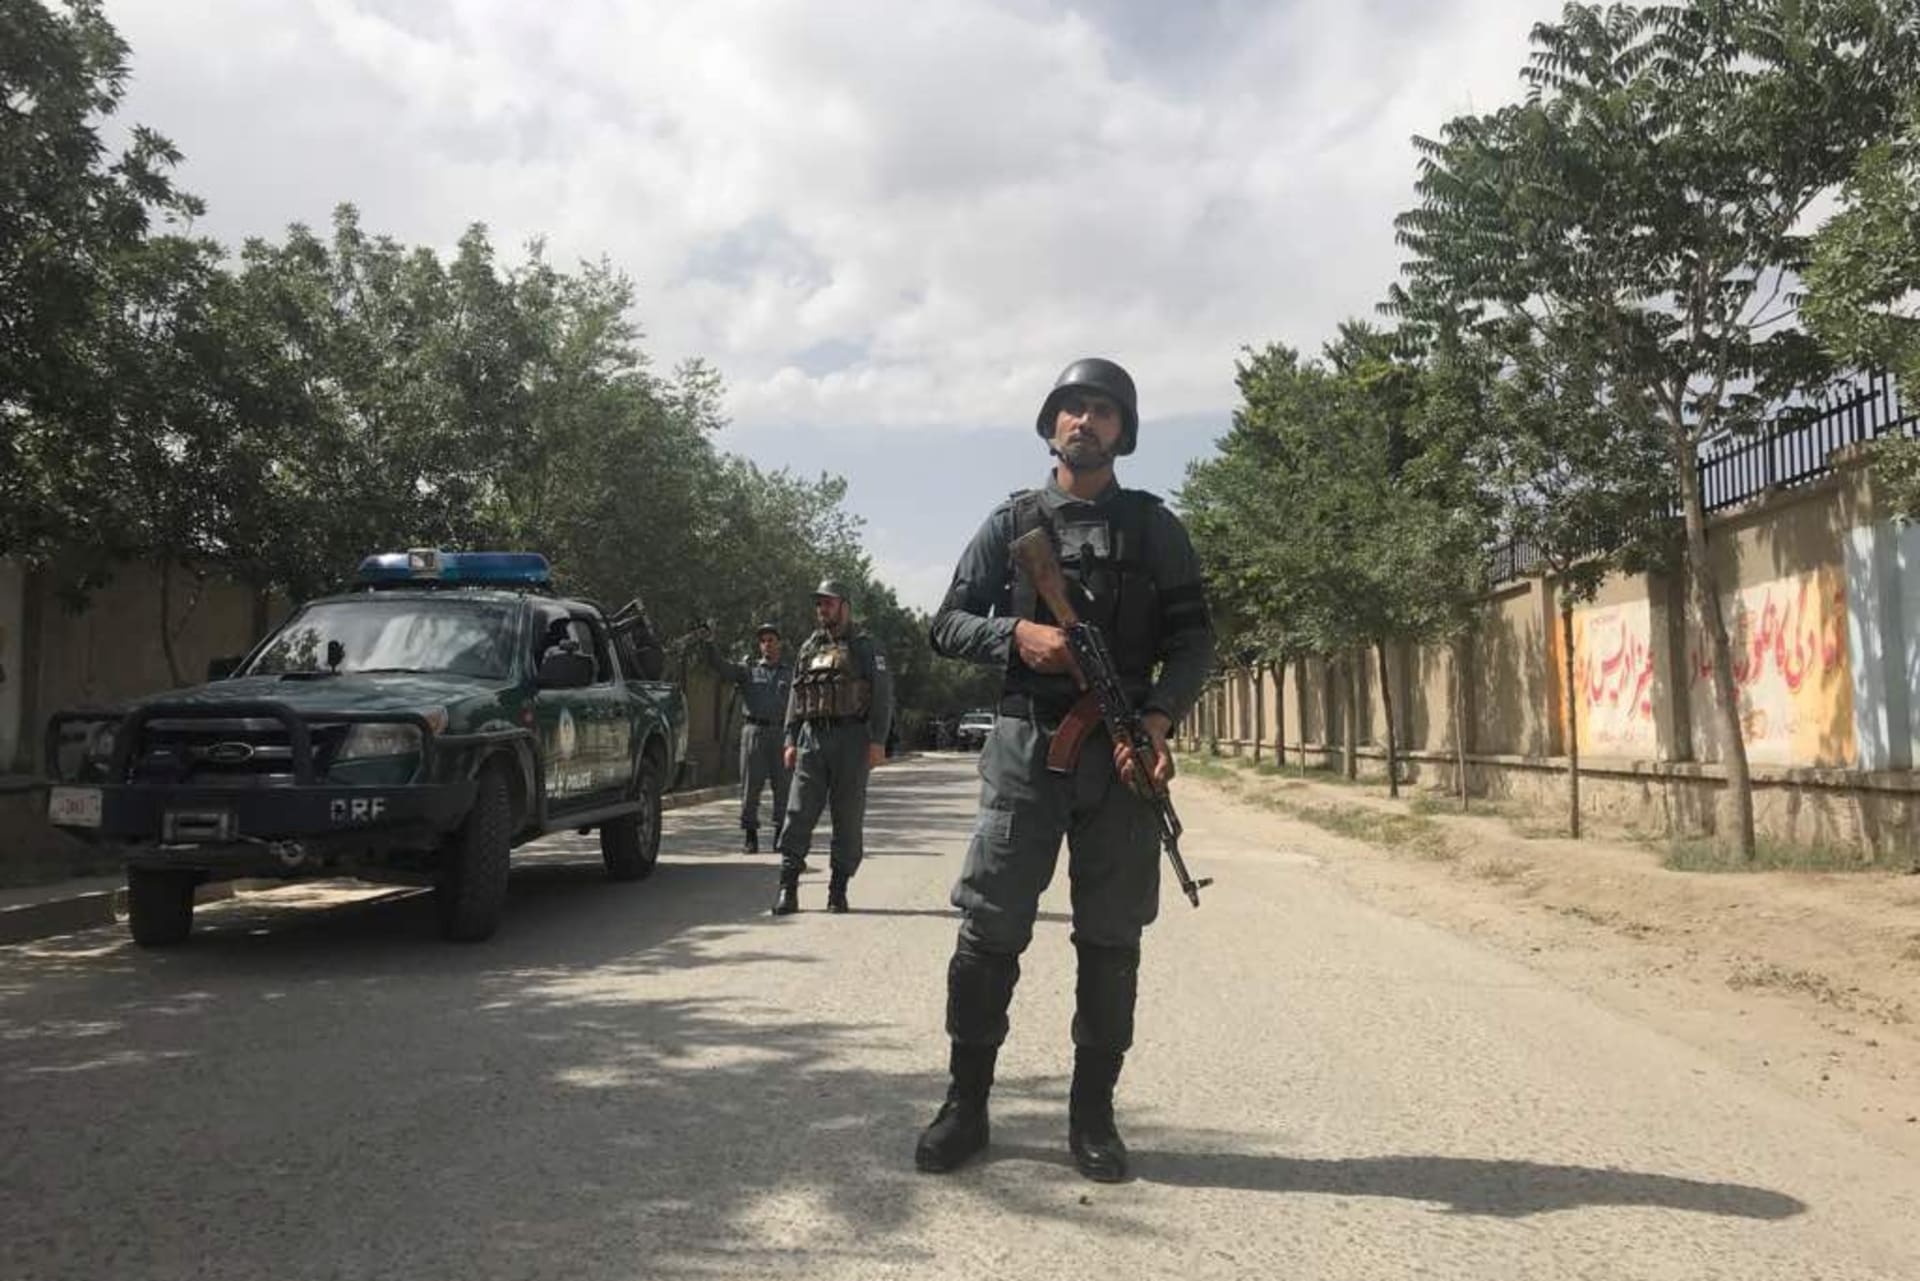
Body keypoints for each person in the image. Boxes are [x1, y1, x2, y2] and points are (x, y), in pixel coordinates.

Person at [913, 357, 1214, 1182]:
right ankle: (964, 1106)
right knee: (989, 930)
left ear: (1125, 433)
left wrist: (1153, 721)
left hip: (1118, 759)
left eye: (1104, 412)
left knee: (1112, 940)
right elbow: (945, 624)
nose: (1086, 422)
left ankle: (1093, 1117)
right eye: (1073, 410)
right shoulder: (1010, 521)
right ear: (1052, 426)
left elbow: (1194, 642)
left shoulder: (1157, 529)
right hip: (1023, 751)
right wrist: (1019, 637)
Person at [771, 579, 894, 915]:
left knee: (848, 817)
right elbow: (796, 696)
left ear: (844, 606)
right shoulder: (809, 647)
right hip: (812, 738)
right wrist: (789, 739)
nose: (821, 609)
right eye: (819, 604)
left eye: (828, 603)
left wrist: (878, 740)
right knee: (797, 813)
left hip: (852, 739)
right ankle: (788, 888)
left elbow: (883, 696)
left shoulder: (867, 646)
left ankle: (838, 890)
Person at [707, 623, 794, 853]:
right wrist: (709, 645)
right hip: (754, 733)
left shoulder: (790, 673)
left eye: (771, 639)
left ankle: (779, 835)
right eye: (763, 640)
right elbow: (723, 668)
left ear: (779, 643)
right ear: (760, 645)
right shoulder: (748, 670)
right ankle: (750, 835)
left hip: (781, 734)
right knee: (750, 787)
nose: (767, 644)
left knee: (783, 787)